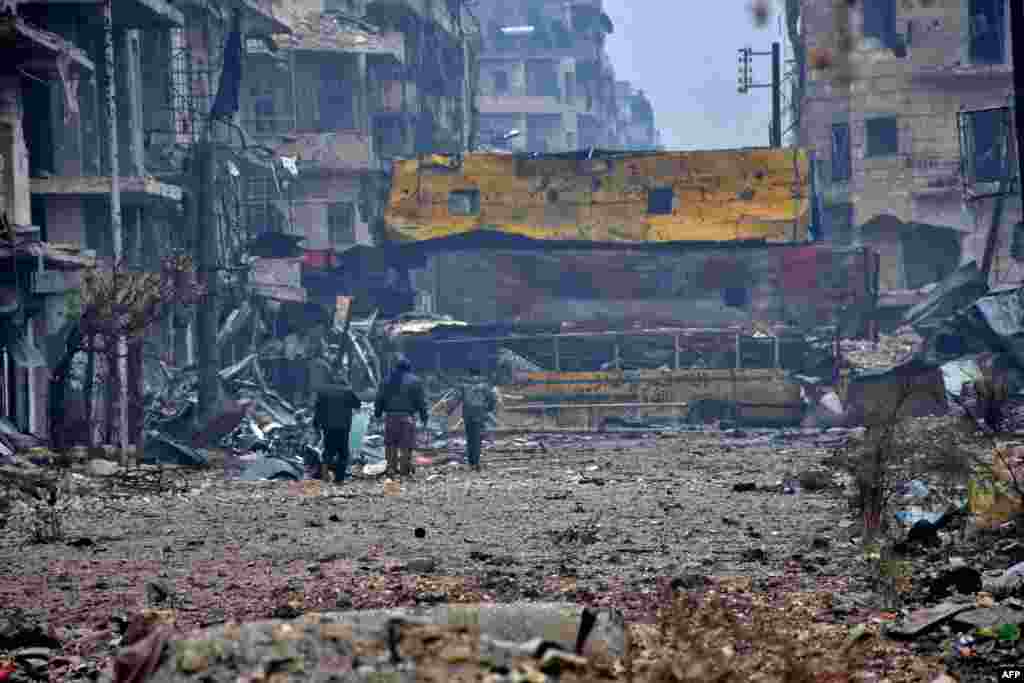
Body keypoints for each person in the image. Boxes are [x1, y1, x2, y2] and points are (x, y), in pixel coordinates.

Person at [374, 354, 428, 477]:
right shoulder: (415, 381)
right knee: (406, 445)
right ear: (408, 368)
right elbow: (420, 402)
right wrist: (424, 416)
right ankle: (404, 471)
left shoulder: (386, 380)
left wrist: (377, 413)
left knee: (391, 444)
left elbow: (379, 399)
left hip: (391, 417)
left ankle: (391, 470)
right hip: (407, 417)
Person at [310, 355, 362, 482]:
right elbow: (357, 404)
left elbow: (318, 409)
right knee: (343, 453)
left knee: (328, 450)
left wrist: (316, 425)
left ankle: (324, 475)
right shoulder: (347, 391)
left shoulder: (323, 391)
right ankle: (339, 479)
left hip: (327, 426)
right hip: (343, 427)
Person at [448, 366, 498, 471]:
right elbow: (493, 399)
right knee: (477, 438)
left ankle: (471, 462)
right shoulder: (485, 385)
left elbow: (455, 399)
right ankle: (476, 462)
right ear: (479, 374)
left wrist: (449, 410)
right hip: (480, 414)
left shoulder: (463, 385)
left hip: (468, 414)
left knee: (470, 438)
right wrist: (488, 409)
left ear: (469, 374)